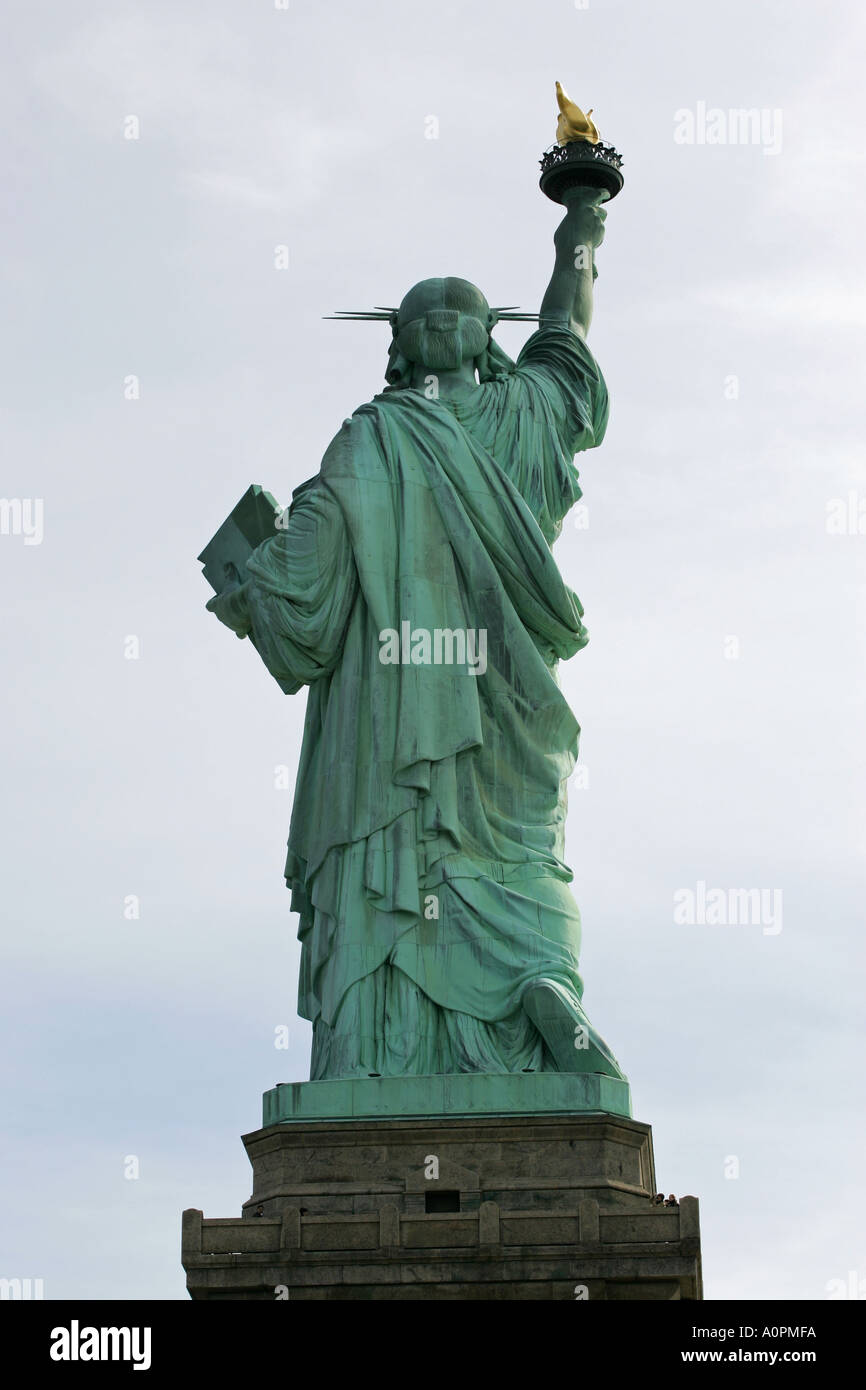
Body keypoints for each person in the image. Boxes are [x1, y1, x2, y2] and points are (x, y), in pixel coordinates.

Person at [206, 187, 625, 1083]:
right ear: (486, 342)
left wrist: (248, 571)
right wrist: (581, 225)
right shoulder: (527, 417)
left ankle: (368, 1058)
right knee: (517, 863)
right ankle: (532, 983)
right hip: (506, 706)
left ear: (398, 350)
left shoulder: (368, 440)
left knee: (388, 855)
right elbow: (567, 330)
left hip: (383, 725)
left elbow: (299, 604)